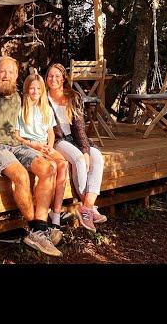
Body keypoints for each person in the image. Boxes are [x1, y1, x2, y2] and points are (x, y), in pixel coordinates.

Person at [0, 56, 62, 257]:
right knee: (21, 175)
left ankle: (40, 227)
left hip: (16, 145)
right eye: (3, 71)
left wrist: (40, 144)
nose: (6, 75)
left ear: (17, 75)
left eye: (11, 72)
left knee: (49, 168)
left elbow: (36, 109)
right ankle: (37, 230)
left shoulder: (19, 97)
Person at [45, 63, 107, 232]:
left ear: (64, 78)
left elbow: (79, 127)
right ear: (46, 78)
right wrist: (83, 154)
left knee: (97, 158)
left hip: (76, 138)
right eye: (50, 76)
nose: (54, 79)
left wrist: (86, 150)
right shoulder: (43, 97)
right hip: (58, 140)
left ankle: (86, 207)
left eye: (57, 76)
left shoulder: (74, 96)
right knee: (79, 160)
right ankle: (88, 208)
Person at [12, 72, 74, 231]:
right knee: (51, 166)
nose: (35, 92)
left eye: (38, 89)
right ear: (26, 90)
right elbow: (17, 136)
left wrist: (50, 146)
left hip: (45, 145)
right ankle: (43, 212)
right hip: (29, 146)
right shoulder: (21, 109)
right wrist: (33, 145)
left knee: (62, 164)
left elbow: (51, 132)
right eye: (32, 88)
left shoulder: (45, 108)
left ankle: (56, 213)